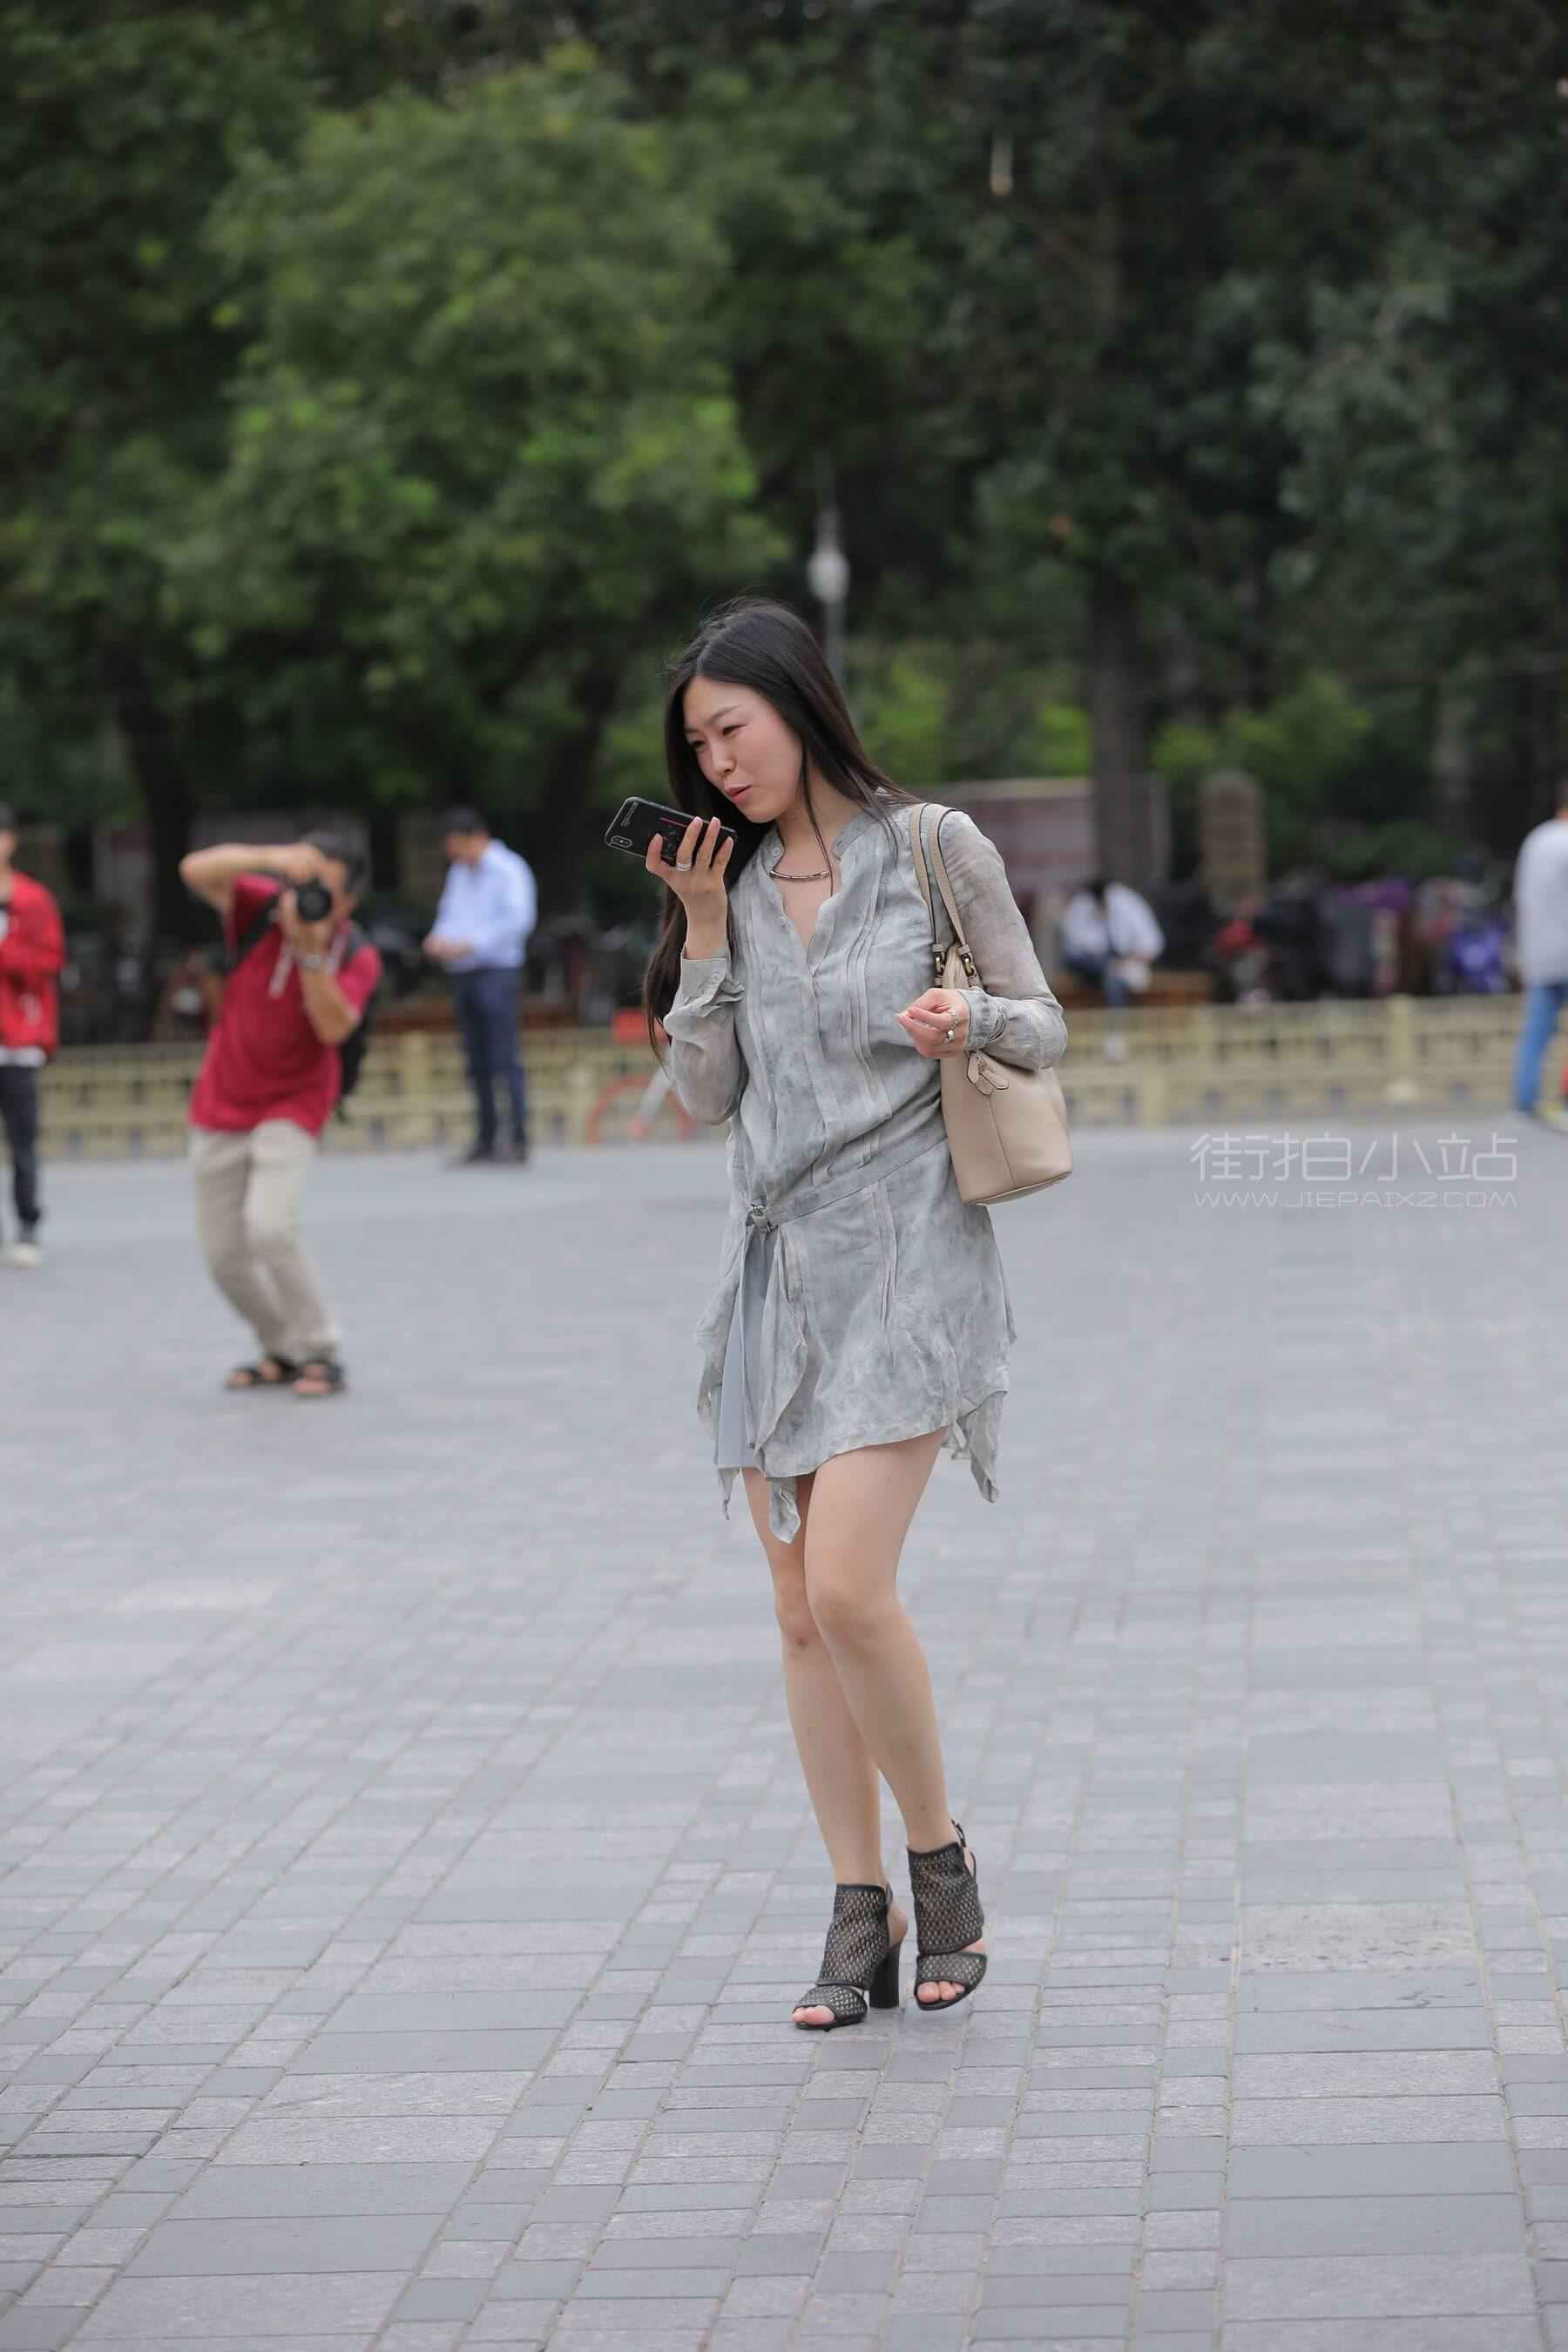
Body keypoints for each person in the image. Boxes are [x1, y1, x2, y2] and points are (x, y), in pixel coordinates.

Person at [645, 598, 1068, 2031]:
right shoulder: (729, 884)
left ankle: (940, 1863)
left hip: (913, 1264)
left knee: (844, 1585)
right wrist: (706, 932)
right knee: (796, 1614)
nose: (719, 765)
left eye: (733, 731)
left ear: (797, 703)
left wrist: (971, 1021)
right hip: (776, 1281)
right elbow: (706, 1096)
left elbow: (1044, 1019)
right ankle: (856, 1904)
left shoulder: (935, 848)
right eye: (700, 749)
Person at [179, 830, 382, 1398]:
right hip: (223, 1095)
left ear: (348, 902)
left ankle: (320, 1349)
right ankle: (282, 1347)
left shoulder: (356, 953)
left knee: (270, 1227)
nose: (307, 897)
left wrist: (311, 951)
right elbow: (194, 869)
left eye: (324, 890)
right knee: (223, 1256)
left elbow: (333, 1028)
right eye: (302, 883)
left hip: (295, 1100)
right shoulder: (259, 909)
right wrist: (272, 858)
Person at [423, 808, 537, 1164]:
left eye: (458, 846)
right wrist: (438, 938)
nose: (455, 855)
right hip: (464, 972)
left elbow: (519, 921)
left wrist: (471, 944)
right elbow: (449, 913)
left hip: (497, 970)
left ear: (476, 837)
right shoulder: (459, 872)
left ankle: (517, 1137)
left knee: (504, 1055)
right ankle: (486, 1137)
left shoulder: (509, 868)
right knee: (476, 1058)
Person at [0, 806, 65, 1268]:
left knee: (22, 1140)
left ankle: (27, 1223)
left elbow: (48, 963)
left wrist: (5, 951)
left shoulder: (33, 900)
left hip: (17, 1040)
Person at [1512, 785, 1568, 1119]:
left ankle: (1525, 1100)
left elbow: (1522, 898)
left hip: (1539, 952)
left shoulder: (1535, 841)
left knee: (1536, 1033)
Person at [1059, 873, 1166, 1006]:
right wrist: (1109, 964)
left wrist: (1129, 959)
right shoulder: (1082, 904)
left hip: (1126, 963)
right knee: (1108, 973)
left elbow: (1153, 942)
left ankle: (1117, 1018)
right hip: (1089, 965)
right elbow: (1074, 948)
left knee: (1116, 979)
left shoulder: (1126, 902)